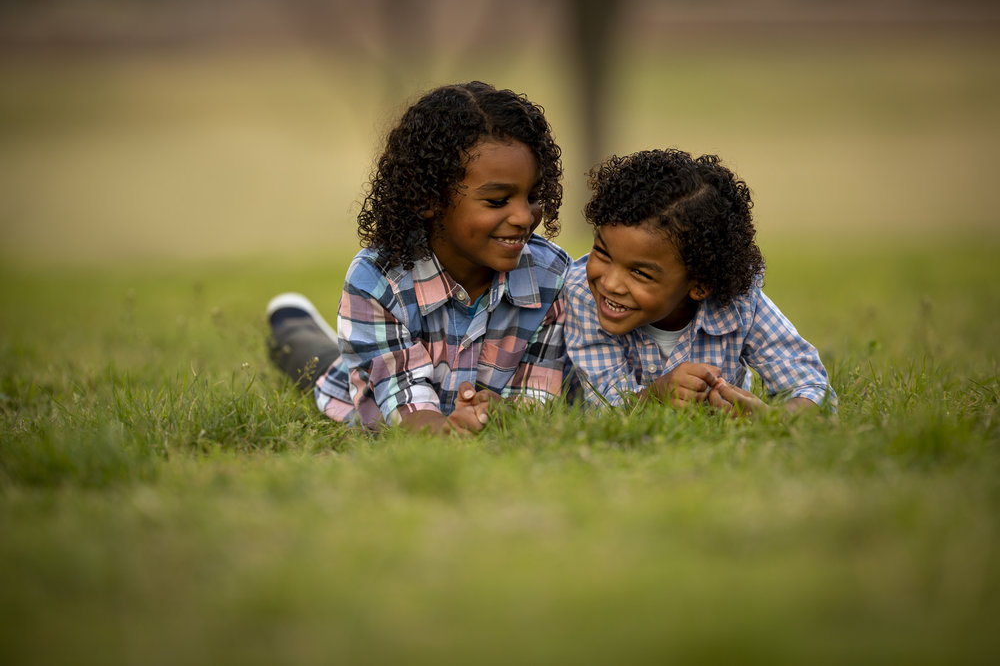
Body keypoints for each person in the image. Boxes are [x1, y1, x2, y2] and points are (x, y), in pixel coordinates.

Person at [267, 81, 571, 435]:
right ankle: (292, 323)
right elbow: (405, 406)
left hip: (460, 402)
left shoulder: (552, 276)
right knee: (315, 363)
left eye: (532, 196)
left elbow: (536, 398)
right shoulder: (377, 280)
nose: (523, 216)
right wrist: (443, 433)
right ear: (429, 199)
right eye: (498, 201)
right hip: (368, 386)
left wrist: (502, 414)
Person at [563, 148, 836, 416]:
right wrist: (657, 395)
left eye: (640, 273)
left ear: (701, 285)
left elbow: (812, 387)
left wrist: (774, 418)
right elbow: (604, 408)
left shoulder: (739, 302)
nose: (610, 283)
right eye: (602, 252)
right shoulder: (584, 294)